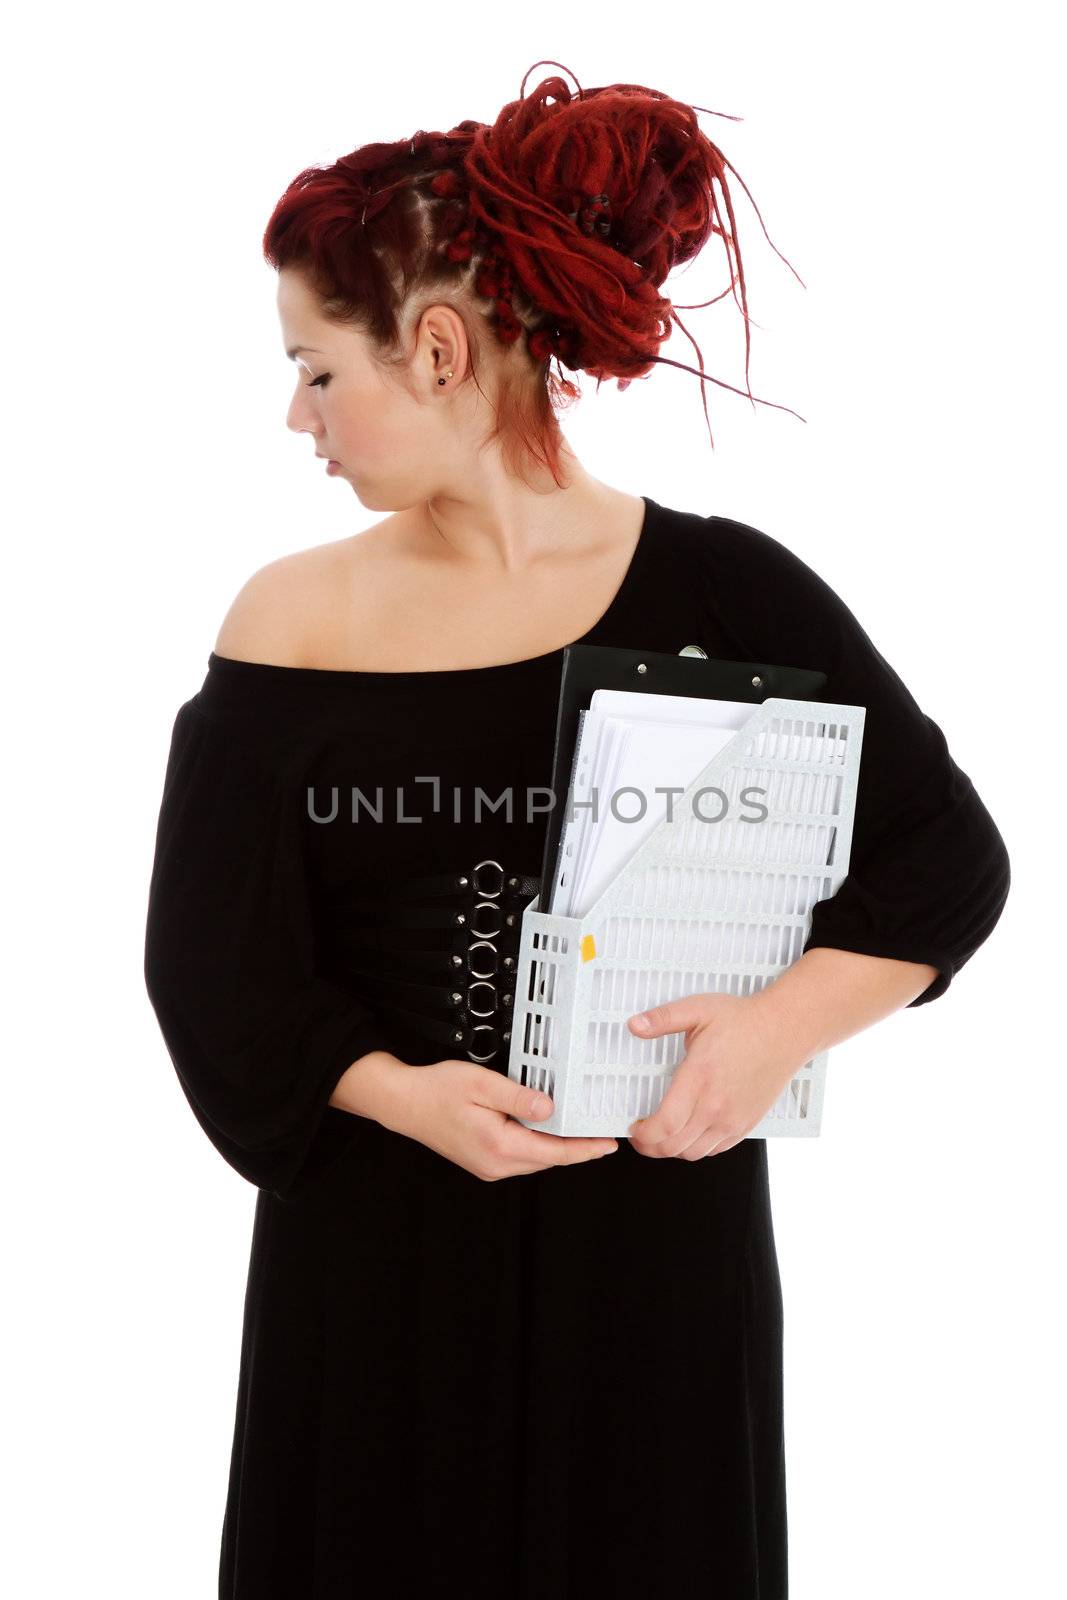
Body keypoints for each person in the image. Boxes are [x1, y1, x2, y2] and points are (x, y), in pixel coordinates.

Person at [143, 65, 1011, 1599]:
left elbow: (947, 861)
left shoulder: (732, 590)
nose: (297, 417)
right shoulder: (295, 621)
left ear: (435, 346)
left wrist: (772, 1033)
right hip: (382, 1263)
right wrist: (404, 1097)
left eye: (315, 370)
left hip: (657, 1263)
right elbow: (214, 970)